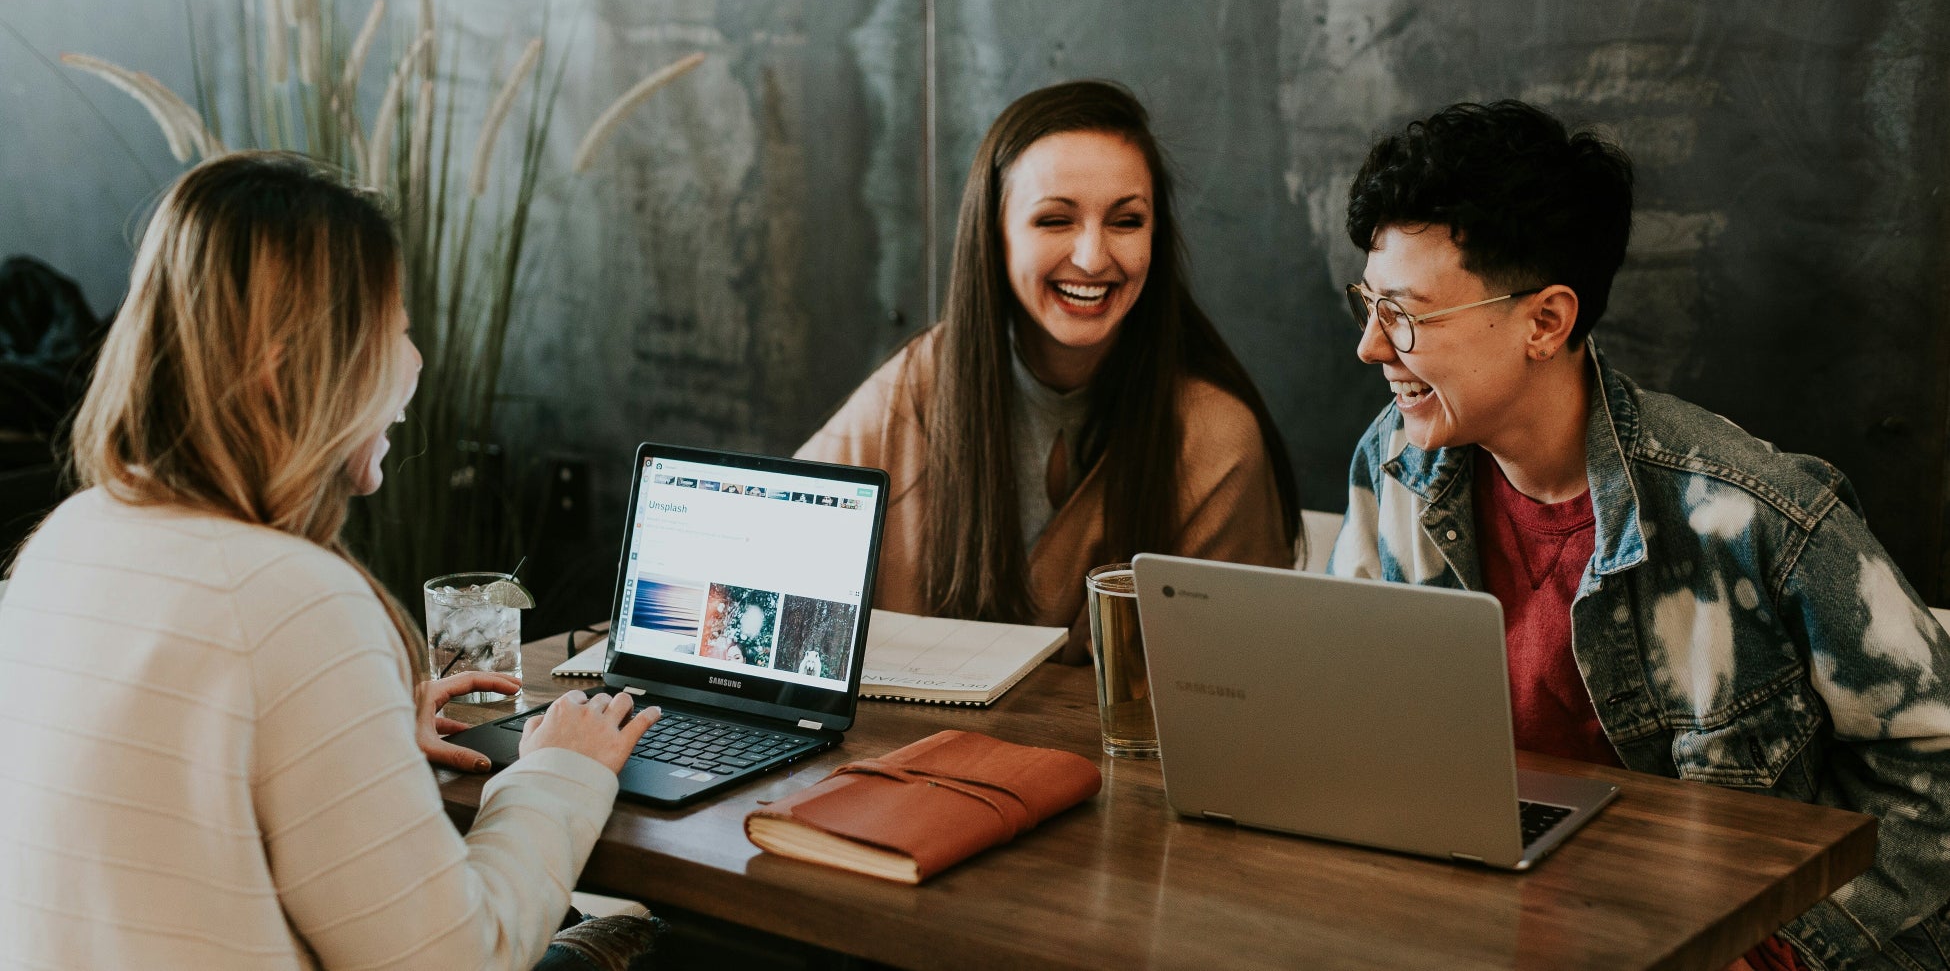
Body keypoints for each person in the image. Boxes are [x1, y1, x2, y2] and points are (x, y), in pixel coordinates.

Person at [0, 152, 662, 970]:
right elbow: (459, 959)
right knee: (632, 930)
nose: (414, 361)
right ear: (289, 366)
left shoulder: (63, 541)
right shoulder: (294, 599)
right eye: (391, 330)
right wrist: (559, 771)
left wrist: (360, 728)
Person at [1328, 100, 1950, 971]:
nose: (1368, 346)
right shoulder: (1393, 462)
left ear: (1546, 321)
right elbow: (1344, 715)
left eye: (1404, 314)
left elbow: (1936, 764)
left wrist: (1782, 952)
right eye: (1368, 302)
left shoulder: (1752, 514)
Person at [798, 80, 1299, 659]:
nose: (1092, 257)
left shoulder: (1215, 437)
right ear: (995, 235)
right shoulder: (917, 386)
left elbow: (1242, 682)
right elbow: (769, 549)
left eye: (1127, 221)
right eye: (1055, 221)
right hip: (908, 749)